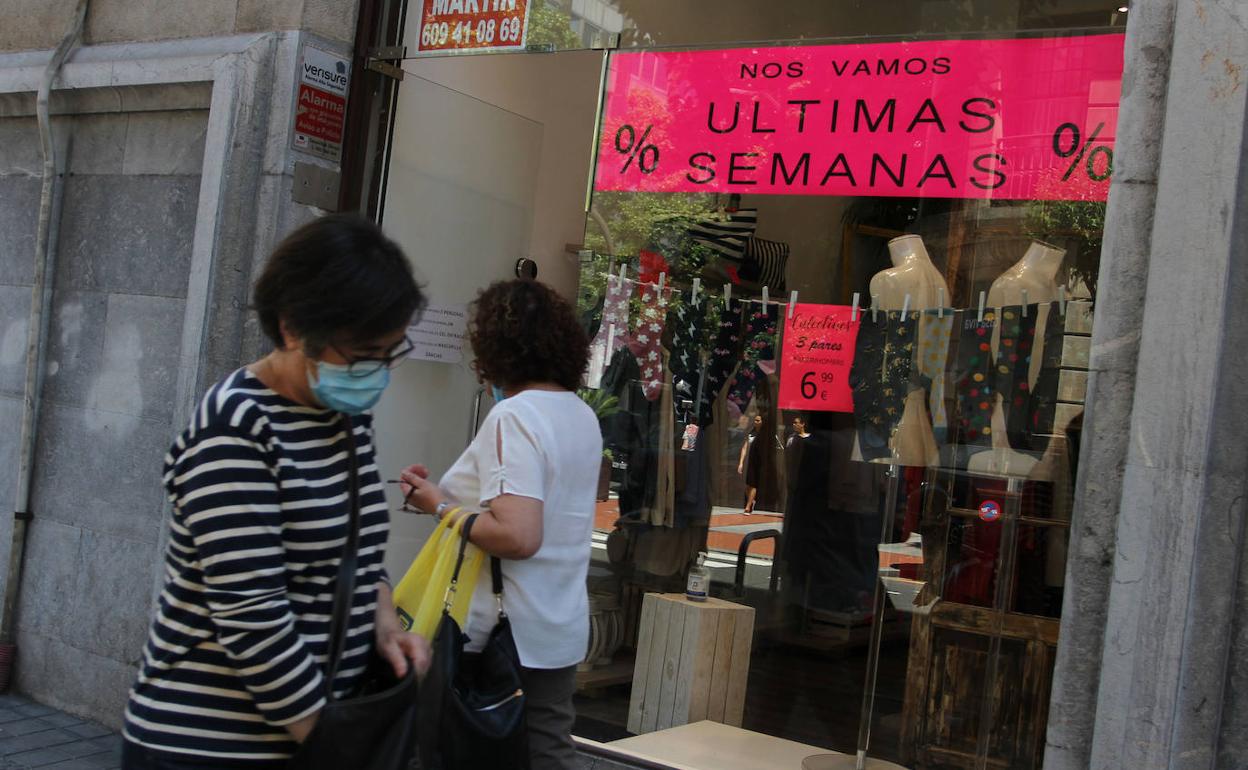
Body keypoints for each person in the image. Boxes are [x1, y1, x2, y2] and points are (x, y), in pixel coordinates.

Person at [122, 215, 431, 768]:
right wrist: (332, 746)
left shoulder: (343, 417)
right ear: (292, 329)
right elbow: (251, 613)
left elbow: (357, 548)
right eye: (363, 353)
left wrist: (384, 621)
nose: (378, 371)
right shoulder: (236, 427)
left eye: (390, 352)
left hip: (310, 734)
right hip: (211, 746)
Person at [400, 279, 602, 770]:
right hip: (558, 625)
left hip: (498, 633)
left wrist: (439, 507)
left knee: (458, 749)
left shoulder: (515, 416)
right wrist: (445, 499)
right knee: (548, 748)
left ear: (495, 347)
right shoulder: (581, 415)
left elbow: (517, 535)